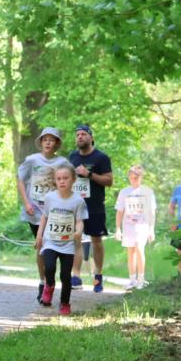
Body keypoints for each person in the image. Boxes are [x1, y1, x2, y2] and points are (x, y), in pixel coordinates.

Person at [17, 128, 72, 303]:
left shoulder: (62, 162)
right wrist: (26, 203)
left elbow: (69, 181)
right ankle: (44, 281)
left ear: (57, 143)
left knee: (51, 247)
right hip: (34, 210)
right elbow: (20, 180)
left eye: (52, 140)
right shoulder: (32, 160)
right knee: (40, 245)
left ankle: (49, 282)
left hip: (55, 213)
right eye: (45, 139)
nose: (48, 142)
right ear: (41, 142)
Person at [34, 164, 87, 315]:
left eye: (65, 178)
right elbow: (44, 217)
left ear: (73, 180)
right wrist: (39, 235)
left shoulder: (78, 201)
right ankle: (49, 286)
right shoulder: (50, 197)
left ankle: (64, 303)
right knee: (49, 268)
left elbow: (80, 221)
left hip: (68, 243)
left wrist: (78, 231)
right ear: (55, 181)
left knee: (65, 275)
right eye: (58, 179)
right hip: (50, 240)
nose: (62, 181)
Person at [67, 124, 113, 292]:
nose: (80, 137)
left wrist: (89, 175)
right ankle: (76, 276)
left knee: (96, 241)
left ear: (91, 138)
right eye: (77, 134)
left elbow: (109, 181)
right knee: (76, 239)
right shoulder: (72, 157)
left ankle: (98, 276)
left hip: (94, 206)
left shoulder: (101, 158)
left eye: (83, 134)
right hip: (75, 206)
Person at [114, 165, 157, 289]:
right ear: (129, 177)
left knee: (139, 248)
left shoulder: (148, 192)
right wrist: (118, 229)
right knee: (131, 251)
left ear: (141, 177)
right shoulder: (124, 192)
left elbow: (152, 212)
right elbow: (120, 212)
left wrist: (151, 229)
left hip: (142, 226)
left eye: (137, 178)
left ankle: (141, 279)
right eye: (132, 178)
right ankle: (132, 280)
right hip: (128, 226)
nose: (135, 180)